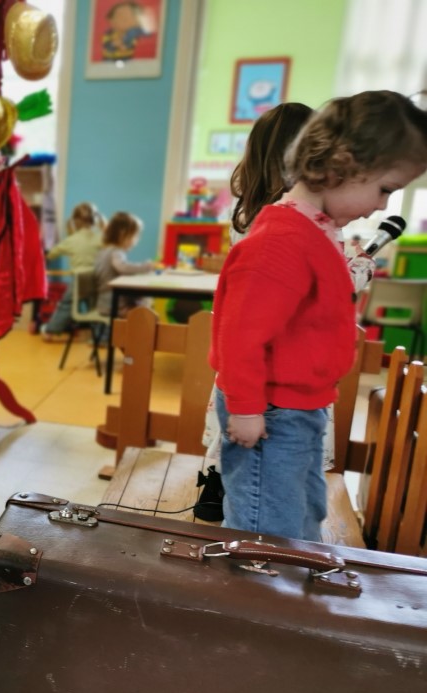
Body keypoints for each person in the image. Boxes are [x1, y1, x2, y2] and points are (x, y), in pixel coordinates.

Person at [211, 90, 427, 542]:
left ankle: (291, 571)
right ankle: (263, 583)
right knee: (265, 527)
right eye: (385, 189)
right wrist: (246, 409)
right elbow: (240, 335)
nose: (383, 206)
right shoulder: (281, 240)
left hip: (300, 407)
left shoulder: (316, 230)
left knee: (301, 511)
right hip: (273, 412)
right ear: (339, 166)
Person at [196, 102, 314, 521]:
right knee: (270, 439)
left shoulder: (247, 213)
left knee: (239, 424)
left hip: (244, 349)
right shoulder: (296, 219)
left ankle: (220, 488)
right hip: (279, 355)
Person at [42, 202, 105, 337]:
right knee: (96, 308)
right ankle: (100, 337)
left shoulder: (71, 240)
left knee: (66, 305)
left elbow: (51, 254)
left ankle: (50, 331)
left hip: (80, 280)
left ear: (75, 221)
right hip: (97, 279)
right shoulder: (101, 238)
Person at [93, 211, 150, 317]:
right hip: (113, 305)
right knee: (146, 313)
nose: (137, 240)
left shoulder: (105, 250)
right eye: (135, 236)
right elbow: (122, 267)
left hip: (105, 302)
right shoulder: (116, 251)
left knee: (143, 302)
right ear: (123, 234)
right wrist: (145, 267)